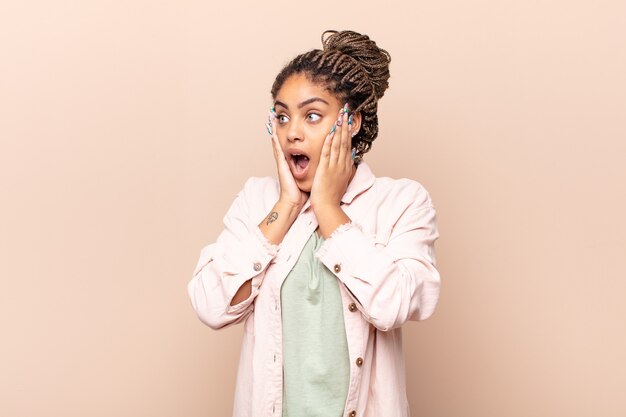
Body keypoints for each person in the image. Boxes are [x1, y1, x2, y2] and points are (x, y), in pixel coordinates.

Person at [187, 29, 441, 417]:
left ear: (350, 122)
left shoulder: (400, 202)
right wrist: (287, 205)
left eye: (312, 115)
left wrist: (326, 206)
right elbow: (210, 304)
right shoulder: (258, 199)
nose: (293, 132)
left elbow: (394, 304)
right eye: (283, 116)